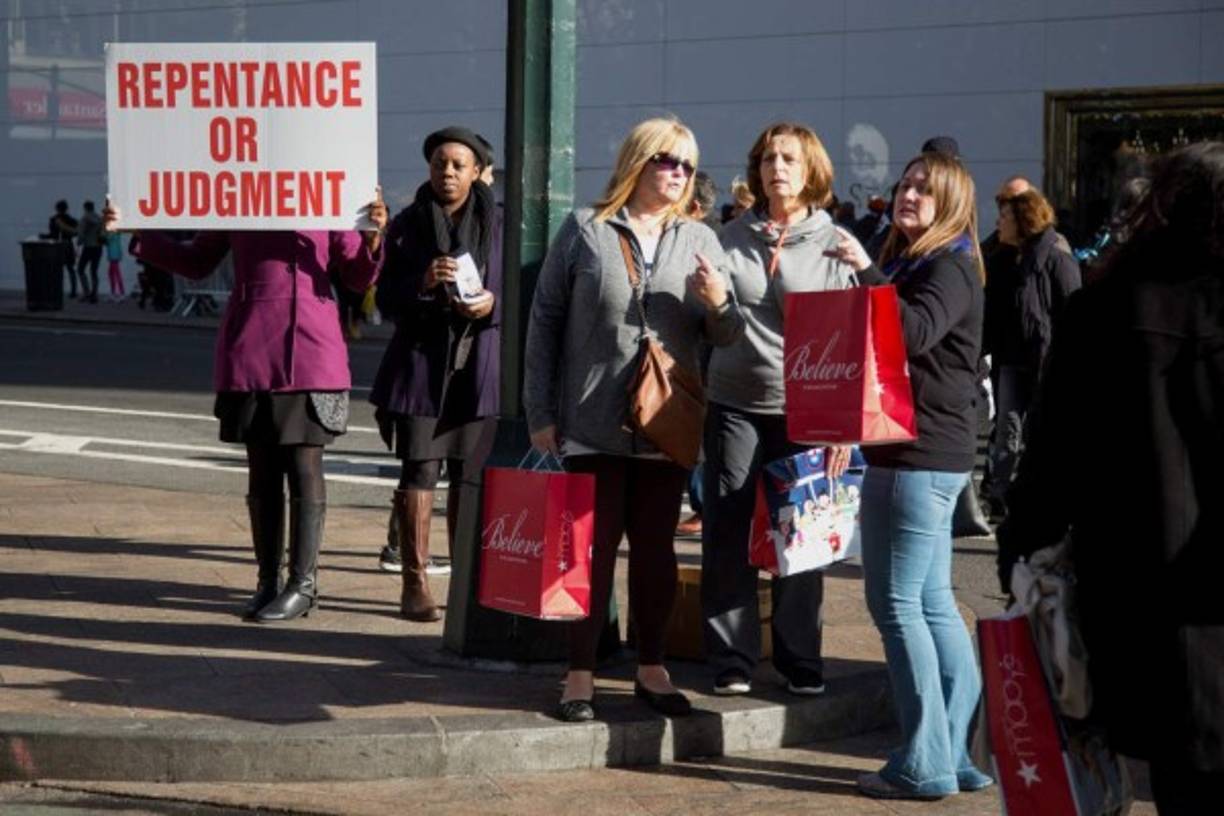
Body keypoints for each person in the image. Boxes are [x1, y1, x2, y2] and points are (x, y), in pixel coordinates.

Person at [996, 141, 1224, 816]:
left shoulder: (1101, 311)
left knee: (1179, 784)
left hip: (1137, 603)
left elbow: (1049, 462)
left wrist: (1022, 550)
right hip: (1202, 596)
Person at [523, 117, 744, 722]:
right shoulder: (586, 230)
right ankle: (580, 674)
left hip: (666, 422)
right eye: (668, 161)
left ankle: (652, 668)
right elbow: (543, 323)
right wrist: (539, 411)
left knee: (656, 553)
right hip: (590, 420)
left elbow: (726, 335)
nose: (679, 174)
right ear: (638, 162)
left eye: (689, 166)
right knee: (586, 554)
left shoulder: (701, 238)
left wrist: (718, 303)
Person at [105, 193, 387, 623]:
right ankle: (268, 581)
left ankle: (303, 585)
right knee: (263, 470)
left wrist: (372, 239)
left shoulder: (329, 190)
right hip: (251, 345)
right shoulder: (239, 192)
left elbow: (355, 276)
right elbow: (197, 261)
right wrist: (139, 232)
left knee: (304, 465)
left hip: (310, 348)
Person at [825, 151, 994, 800]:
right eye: (907, 184)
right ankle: (955, 754)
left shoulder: (948, 264)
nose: (910, 195)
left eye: (926, 189)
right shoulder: (924, 260)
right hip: (924, 452)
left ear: (951, 203)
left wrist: (865, 271)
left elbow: (913, 332)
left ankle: (925, 762)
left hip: (915, 457)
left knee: (896, 605)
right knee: (930, 604)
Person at [700, 122, 853, 699]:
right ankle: (732, 657)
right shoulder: (729, 236)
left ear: (811, 169)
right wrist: (713, 303)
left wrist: (844, 427)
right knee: (727, 529)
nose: (776, 168)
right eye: (767, 158)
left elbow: (846, 340)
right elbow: (714, 329)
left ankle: (799, 659)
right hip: (734, 400)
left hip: (807, 409)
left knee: (804, 534)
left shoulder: (834, 243)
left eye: (788, 158)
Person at [369, 127, 500, 623]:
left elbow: (519, 291)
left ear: (475, 172)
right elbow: (384, 298)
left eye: (457, 165)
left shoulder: (500, 224)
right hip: (421, 366)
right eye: (439, 163)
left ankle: (466, 582)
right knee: (419, 470)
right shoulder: (406, 226)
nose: (447, 172)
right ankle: (415, 583)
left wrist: (492, 304)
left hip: (475, 367)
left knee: (469, 477)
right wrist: (423, 282)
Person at [983, 188, 1081, 517]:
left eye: (1006, 217)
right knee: (1007, 430)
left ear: (1023, 221)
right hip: (1010, 358)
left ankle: (1045, 495)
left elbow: (1072, 308)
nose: (999, 222)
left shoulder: (1055, 256)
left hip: (1045, 360)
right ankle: (998, 495)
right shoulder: (1002, 257)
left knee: (1043, 430)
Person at [47, 200, 81, 298]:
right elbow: (76, 232)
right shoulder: (72, 220)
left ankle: (56, 290)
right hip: (68, 245)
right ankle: (73, 291)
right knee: (71, 269)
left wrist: (44, 236)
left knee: (56, 270)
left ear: (57, 208)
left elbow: (52, 235)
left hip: (57, 246)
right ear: (66, 209)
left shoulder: (54, 219)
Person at [76, 201, 104, 303]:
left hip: (88, 247)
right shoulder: (99, 218)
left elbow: (81, 234)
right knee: (94, 271)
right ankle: (94, 294)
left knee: (80, 269)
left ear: (85, 208)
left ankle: (86, 292)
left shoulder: (85, 218)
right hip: (98, 248)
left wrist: (79, 243)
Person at [104, 227, 125, 301]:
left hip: (114, 254)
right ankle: (114, 293)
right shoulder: (115, 231)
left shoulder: (113, 231)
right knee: (111, 274)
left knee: (115, 274)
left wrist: (104, 233)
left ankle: (121, 293)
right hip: (113, 254)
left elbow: (107, 240)